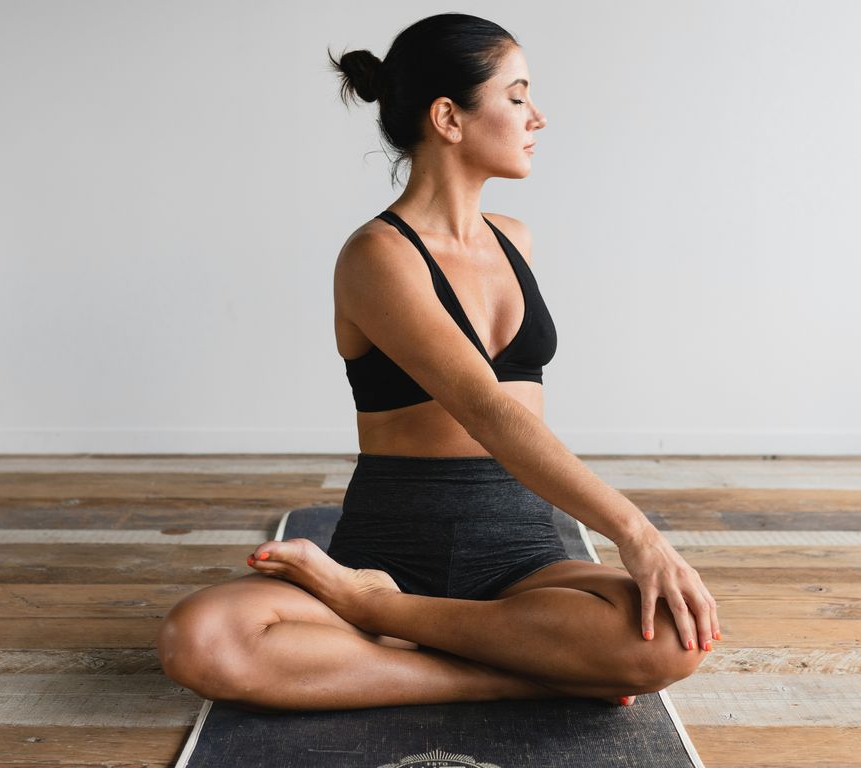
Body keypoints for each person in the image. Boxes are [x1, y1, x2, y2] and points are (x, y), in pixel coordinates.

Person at [157, 12, 719, 713]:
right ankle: (512, 667)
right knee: (202, 639)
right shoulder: (377, 255)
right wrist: (637, 533)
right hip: (389, 549)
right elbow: (486, 409)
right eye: (516, 96)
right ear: (449, 117)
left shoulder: (516, 240)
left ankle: (390, 623)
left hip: (520, 556)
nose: (536, 116)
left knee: (674, 637)